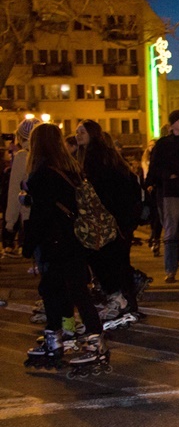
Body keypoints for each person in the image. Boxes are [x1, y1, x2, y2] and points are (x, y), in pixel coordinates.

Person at [22, 123, 110, 375]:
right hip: (74, 240)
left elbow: (41, 214)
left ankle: (70, 340)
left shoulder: (41, 174)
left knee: (59, 291)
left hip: (56, 242)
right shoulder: (70, 168)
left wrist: (28, 247)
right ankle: (75, 338)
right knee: (64, 290)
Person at [78, 121, 144, 328]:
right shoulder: (106, 156)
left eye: (82, 131)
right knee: (118, 260)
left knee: (105, 259)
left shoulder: (94, 158)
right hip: (119, 219)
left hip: (109, 219)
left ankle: (120, 299)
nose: (78, 134)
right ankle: (127, 299)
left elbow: (100, 191)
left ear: (92, 134)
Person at [146, 109, 179, 283]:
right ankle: (170, 270)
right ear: (172, 123)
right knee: (171, 232)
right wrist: (166, 176)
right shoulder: (163, 144)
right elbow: (155, 166)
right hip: (172, 191)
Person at [5, 118, 39, 251]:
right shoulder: (52, 154)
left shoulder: (22, 157)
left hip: (30, 213)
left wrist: (10, 221)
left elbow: (14, 190)